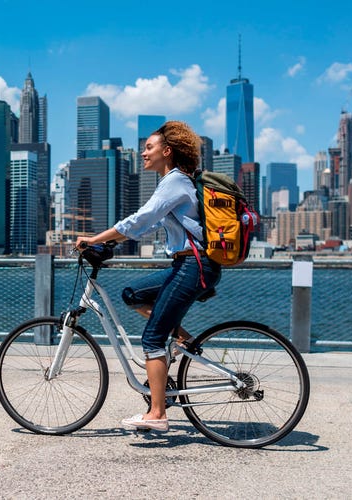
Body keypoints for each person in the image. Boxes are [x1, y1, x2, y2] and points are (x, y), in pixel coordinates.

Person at [75, 120, 222, 432]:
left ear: (166, 152)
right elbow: (150, 225)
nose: (143, 153)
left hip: (193, 265)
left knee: (152, 338)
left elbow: (141, 218)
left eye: (149, 147)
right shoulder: (174, 181)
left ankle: (157, 414)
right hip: (188, 264)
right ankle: (183, 338)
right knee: (132, 294)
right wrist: (111, 242)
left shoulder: (175, 181)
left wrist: (95, 239)